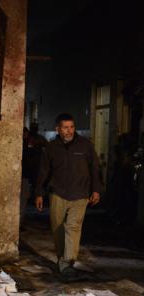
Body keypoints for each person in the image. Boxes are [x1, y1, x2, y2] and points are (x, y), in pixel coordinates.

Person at [35, 113, 103, 274]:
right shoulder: (51, 148)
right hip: (58, 193)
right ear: (57, 129)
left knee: (73, 227)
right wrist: (39, 193)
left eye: (72, 127)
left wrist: (96, 189)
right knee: (57, 229)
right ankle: (63, 261)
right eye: (65, 127)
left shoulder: (85, 145)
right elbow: (44, 172)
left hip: (80, 194)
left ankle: (69, 261)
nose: (69, 131)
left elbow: (95, 168)